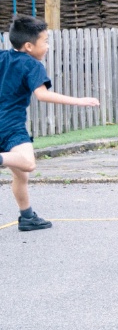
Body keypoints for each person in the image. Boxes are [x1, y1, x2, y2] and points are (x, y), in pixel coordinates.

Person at [1, 15, 101, 233]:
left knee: (21, 174)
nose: (47, 46)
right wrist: (80, 100)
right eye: (45, 41)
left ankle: (27, 217)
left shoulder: (3, 57)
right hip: (10, 127)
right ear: (29, 46)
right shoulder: (31, 64)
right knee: (27, 163)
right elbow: (42, 95)